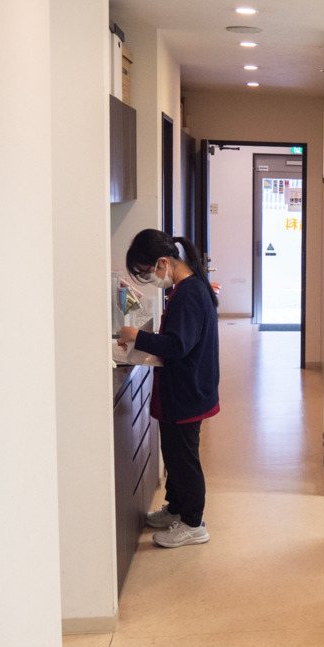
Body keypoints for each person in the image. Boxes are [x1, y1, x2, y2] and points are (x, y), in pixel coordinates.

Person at [117, 229, 220, 548]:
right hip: (186, 388)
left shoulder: (189, 293)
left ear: (163, 262)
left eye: (148, 272)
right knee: (174, 456)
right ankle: (176, 509)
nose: (151, 278)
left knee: (184, 460)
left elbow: (177, 345)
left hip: (188, 392)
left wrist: (136, 336)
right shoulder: (187, 287)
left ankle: (193, 523)